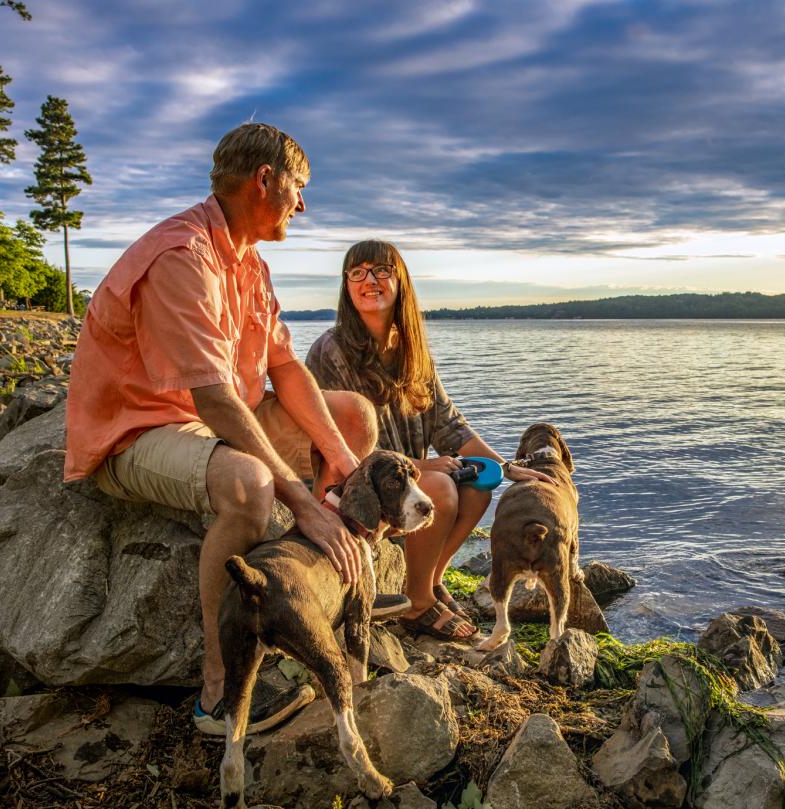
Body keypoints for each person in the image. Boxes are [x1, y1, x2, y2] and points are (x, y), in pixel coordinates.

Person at [64, 123, 378, 734]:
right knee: (252, 485)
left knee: (355, 418)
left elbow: (285, 368)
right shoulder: (184, 256)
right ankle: (221, 690)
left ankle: (306, 587)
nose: (303, 204)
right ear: (265, 180)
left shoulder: (248, 262)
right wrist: (301, 501)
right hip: (135, 431)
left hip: (208, 415)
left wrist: (342, 459)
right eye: (299, 188)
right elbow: (212, 401)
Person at [305, 240, 553, 642]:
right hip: (356, 492)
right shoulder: (330, 350)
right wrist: (423, 468)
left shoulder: (413, 351)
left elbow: (450, 427)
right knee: (439, 487)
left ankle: (430, 581)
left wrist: (509, 469)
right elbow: (339, 445)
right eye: (358, 272)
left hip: (403, 485)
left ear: (400, 281)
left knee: (478, 488)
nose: (370, 280)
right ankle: (416, 603)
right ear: (347, 286)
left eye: (382, 270)